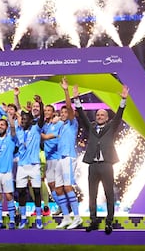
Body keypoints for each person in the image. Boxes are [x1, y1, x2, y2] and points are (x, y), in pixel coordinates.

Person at [74, 84, 129, 234]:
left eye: (102, 115)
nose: (99, 117)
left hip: (106, 165)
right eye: (97, 115)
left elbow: (118, 115)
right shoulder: (91, 127)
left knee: (108, 193)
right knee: (92, 193)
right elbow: (82, 115)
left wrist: (123, 99)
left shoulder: (111, 126)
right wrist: (76, 98)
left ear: (106, 117)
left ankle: (109, 221)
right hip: (93, 165)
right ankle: (93, 220)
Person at [55, 77, 82, 230]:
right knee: (58, 188)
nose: (64, 113)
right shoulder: (61, 126)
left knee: (67, 187)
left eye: (66, 111)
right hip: (60, 159)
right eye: (62, 112)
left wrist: (66, 91)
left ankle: (77, 218)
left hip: (69, 158)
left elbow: (69, 108)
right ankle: (66, 217)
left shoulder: (73, 124)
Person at [14, 95, 45, 229]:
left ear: (31, 120)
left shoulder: (36, 129)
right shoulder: (19, 131)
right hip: (22, 165)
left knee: (37, 191)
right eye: (22, 119)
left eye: (26, 119)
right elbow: (16, 115)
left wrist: (41, 104)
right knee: (21, 192)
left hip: (34, 165)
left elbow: (42, 118)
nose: (23, 121)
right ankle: (23, 218)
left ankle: (38, 218)